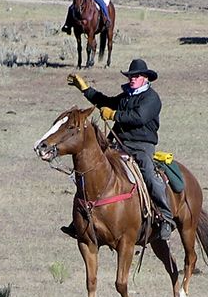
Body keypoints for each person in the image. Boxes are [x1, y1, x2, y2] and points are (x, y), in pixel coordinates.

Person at [65, 58, 176, 241]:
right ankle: (81, 219)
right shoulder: (126, 96)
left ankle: (166, 217)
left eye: (137, 76)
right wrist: (85, 90)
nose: (133, 79)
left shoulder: (152, 98)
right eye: (131, 76)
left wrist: (115, 114)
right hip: (117, 144)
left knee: (148, 174)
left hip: (141, 145)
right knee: (91, 168)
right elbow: (105, 101)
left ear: (145, 78)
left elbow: (139, 117)